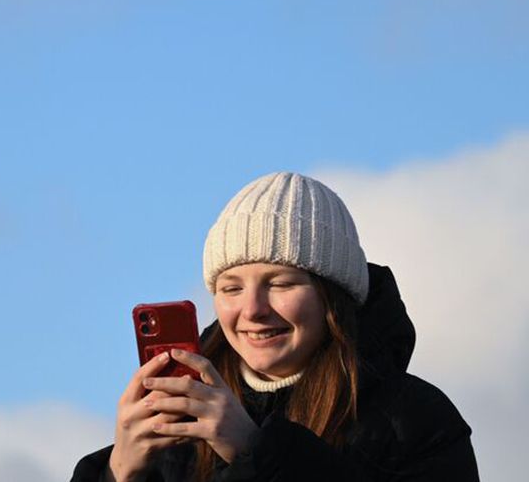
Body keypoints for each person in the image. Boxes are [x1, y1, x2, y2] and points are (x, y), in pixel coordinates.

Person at [70, 172, 479, 482]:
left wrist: (255, 451)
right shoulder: (178, 435)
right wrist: (118, 470)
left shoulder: (416, 419)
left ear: (332, 298)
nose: (252, 309)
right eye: (231, 288)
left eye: (280, 283)